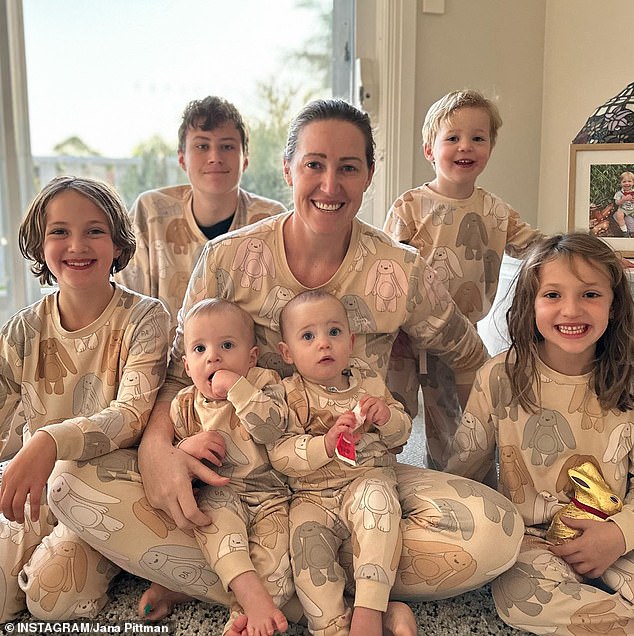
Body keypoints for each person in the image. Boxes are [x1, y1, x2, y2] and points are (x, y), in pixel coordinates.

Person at [47, 99, 525, 636]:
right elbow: (180, 373)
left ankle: (245, 584)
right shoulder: (226, 261)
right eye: (314, 165)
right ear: (288, 169)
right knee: (71, 481)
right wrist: (161, 450)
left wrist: (488, 456)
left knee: (498, 532)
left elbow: (469, 354)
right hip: (234, 479)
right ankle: (348, 593)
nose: (329, 184)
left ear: (370, 174)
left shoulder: (399, 269)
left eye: (348, 167)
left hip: (353, 478)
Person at [0, 175, 170, 621]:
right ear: (40, 246)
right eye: (60, 232)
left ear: (117, 245)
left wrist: (48, 441)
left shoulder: (146, 319)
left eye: (94, 230)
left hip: (108, 492)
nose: (77, 244)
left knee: (48, 600)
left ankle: (118, 558)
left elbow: (130, 416)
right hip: (40, 490)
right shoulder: (21, 331)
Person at [446, 232, 634, 634]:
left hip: (618, 527)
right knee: (520, 603)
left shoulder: (629, 380)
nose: (571, 310)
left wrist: (618, 535)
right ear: (530, 304)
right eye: (552, 295)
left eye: (590, 295)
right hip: (534, 536)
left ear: (615, 306)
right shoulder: (499, 376)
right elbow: (465, 471)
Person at [383, 89, 543, 472]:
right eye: (452, 138)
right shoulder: (409, 206)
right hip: (402, 337)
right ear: (429, 149)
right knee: (390, 414)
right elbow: (385, 263)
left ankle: (452, 485)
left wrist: (579, 253)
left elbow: (534, 247)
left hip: (460, 336)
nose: (465, 146)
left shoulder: (496, 210)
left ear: (490, 146)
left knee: (455, 423)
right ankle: (380, 477)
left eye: (477, 138)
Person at [140, 298, 291, 636]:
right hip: (221, 492)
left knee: (278, 563)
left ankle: (240, 618)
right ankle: (248, 599)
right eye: (199, 349)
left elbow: (273, 428)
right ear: (188, 365)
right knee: (215, 529)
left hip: (272, 496)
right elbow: (177, 464)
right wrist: (186, 448)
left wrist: (238, 389)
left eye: (226, 345)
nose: (213, 356)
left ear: (251, 357)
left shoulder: (263, 383)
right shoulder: (185, 405)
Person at [267, 290, 411, 635]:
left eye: (334, 332)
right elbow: (280, 454)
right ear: (287, 352)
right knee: (305, 552)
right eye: (308, 336)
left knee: (379, 504)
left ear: (351, 340)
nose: (323, 344)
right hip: (310, 496)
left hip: (365, 479)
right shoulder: (287, 393)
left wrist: (387, 416)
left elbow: (402, 435)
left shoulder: (367, 382)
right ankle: (332, 624)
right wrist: (325, 444)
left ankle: (369, 612)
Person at [115, 95, 287, 338]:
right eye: (202, 146)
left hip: (248, 372)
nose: (215, 156)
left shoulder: (271, 219)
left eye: (227, 146)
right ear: (182, 158)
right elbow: (127, 305)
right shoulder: (150, 212)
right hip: (161, 367)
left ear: (245, 160)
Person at [612, 171, 634, 236]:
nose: (627, 183)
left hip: (633, 210)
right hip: (623, 209)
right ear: (621, 183)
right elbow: (617, 203)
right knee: (619, 214)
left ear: (633, 182)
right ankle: (624, 230)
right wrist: (623, 199)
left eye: (629, 181)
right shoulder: (619, 193)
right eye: (624, 182)